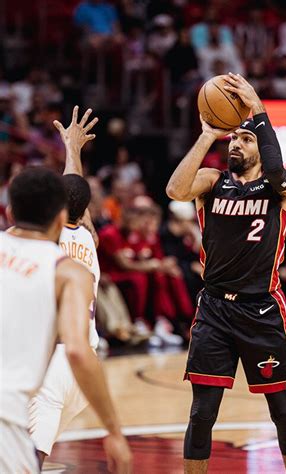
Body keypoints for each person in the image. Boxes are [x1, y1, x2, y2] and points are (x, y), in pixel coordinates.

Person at [166, 72, 286, 474]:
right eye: (234, 138)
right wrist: (208, 134)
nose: (237, 144)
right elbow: (175, 190)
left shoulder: (279, 187)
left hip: (261, 310)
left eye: (245, 139)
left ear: (260, 146)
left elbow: (278, 169)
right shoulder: (212, 182)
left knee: (282, 409)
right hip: (214, 310)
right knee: (201, 413)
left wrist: (258, 109)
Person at [0, 167, 131, 473]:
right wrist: (113, 429)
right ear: (61, 218)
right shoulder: (68, 270)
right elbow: (76, 349)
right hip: (40, 387)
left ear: (8, 211)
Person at [26, 107, 105, 465]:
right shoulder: (89, 238)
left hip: (55, 364)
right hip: (84, 364)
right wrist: (73, 151)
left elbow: (69, 196)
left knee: (29, 457)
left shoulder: (43, 242)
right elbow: (75, 195)